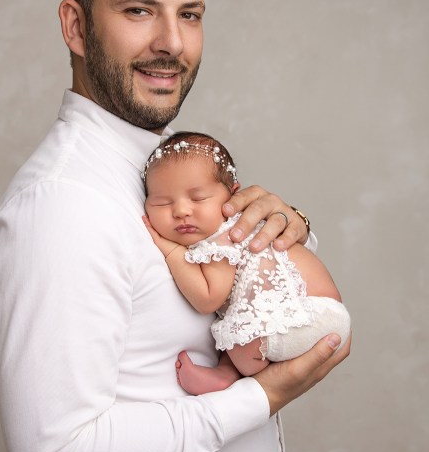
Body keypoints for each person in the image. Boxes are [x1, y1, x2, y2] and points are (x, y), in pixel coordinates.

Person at [0, 0, 351, 452]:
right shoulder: (62, 207)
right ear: (75, 27)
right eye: (138, 11)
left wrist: (285, 233)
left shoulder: (167, 167)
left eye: (189, 15)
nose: (171, 43)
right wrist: (258, 398)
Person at [142, 132, 352, 396]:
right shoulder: (222, 231)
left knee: (241, 339)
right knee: (238, 323)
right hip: (311, 313)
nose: (181, 211)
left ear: (233, 196)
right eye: (162, 202)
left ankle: (233, 375)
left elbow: (208, 298)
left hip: (307, 316)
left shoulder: (226, 237)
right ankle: (224, 373)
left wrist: (171, 251)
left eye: (198, 199)